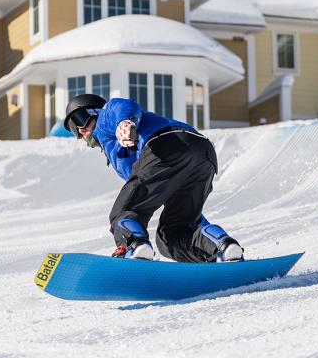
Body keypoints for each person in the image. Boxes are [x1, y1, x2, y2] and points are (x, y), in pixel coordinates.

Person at [63, 93, 244, 263]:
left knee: (123, 212)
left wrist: (125, 122)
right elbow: (153, 185)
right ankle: (222, 248)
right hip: (202, 155)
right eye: (73, 129)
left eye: (78, 120)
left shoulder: (106, 118)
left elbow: (123, 106)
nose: (80, 131)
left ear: (94, 111)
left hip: (165, 145)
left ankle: (134, 246)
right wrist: (194, 219)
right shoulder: (119, 151)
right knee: (172, 234)